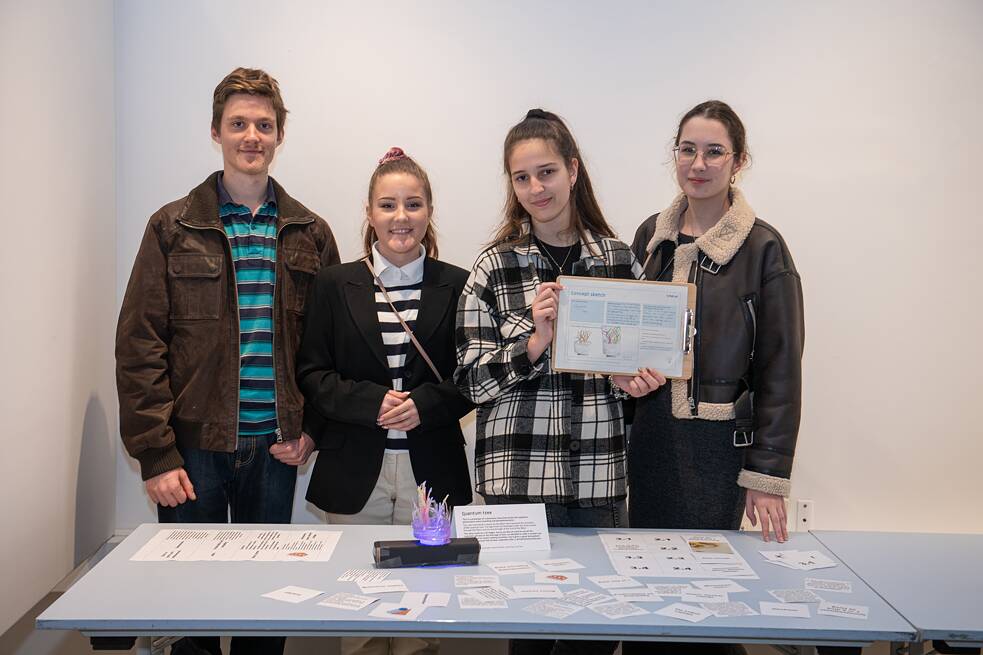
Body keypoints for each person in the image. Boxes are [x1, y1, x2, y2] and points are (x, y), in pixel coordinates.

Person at [115, 67, 339, 655]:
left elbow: (329, 349)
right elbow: (140, 346)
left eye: (264, 125)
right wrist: (155, 454)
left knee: (266, 612)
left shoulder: (311, 234)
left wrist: (312, 431)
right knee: (191, 612)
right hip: (192, 454)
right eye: (238, 123)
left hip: (276, 450)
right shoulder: (171, 227)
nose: (251, 136)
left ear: (280, 135)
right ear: (216, 130)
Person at [455, 109, 663, 655]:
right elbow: (470, 383)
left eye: (545, 172)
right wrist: (534, 342)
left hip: (598, 478)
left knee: (595, 635)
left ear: (573, 170)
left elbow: (646, 369)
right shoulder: (493, 266)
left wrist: (635, 382)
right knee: (528, 636)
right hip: (518, 485)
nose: (535, 188)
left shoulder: (619, 260)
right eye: (521, 177)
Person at [624, 100, 805, 655]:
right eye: (687, 150)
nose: (697, 163)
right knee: (647, 596)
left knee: (708, 602)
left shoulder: (764, 248)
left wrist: (766, 476)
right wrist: (623, 378)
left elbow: (781, 368)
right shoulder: (649, 239)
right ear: (674, 155)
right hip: (651, 439)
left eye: (713, 152)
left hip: (719, 450)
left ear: (738, 161)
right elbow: (628, 337)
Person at [298, 147, 473, 655]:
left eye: (413, 204)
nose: (401, 217)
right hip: (355, 470)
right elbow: (311, 371)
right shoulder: (335, 283)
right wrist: (371, 402)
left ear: (430, 212)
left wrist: (427, 404)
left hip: (431, 470)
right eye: (388, 205)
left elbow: (473, 376)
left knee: (424, 618)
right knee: (359, 616)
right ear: (370, 213)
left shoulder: (459, 284)